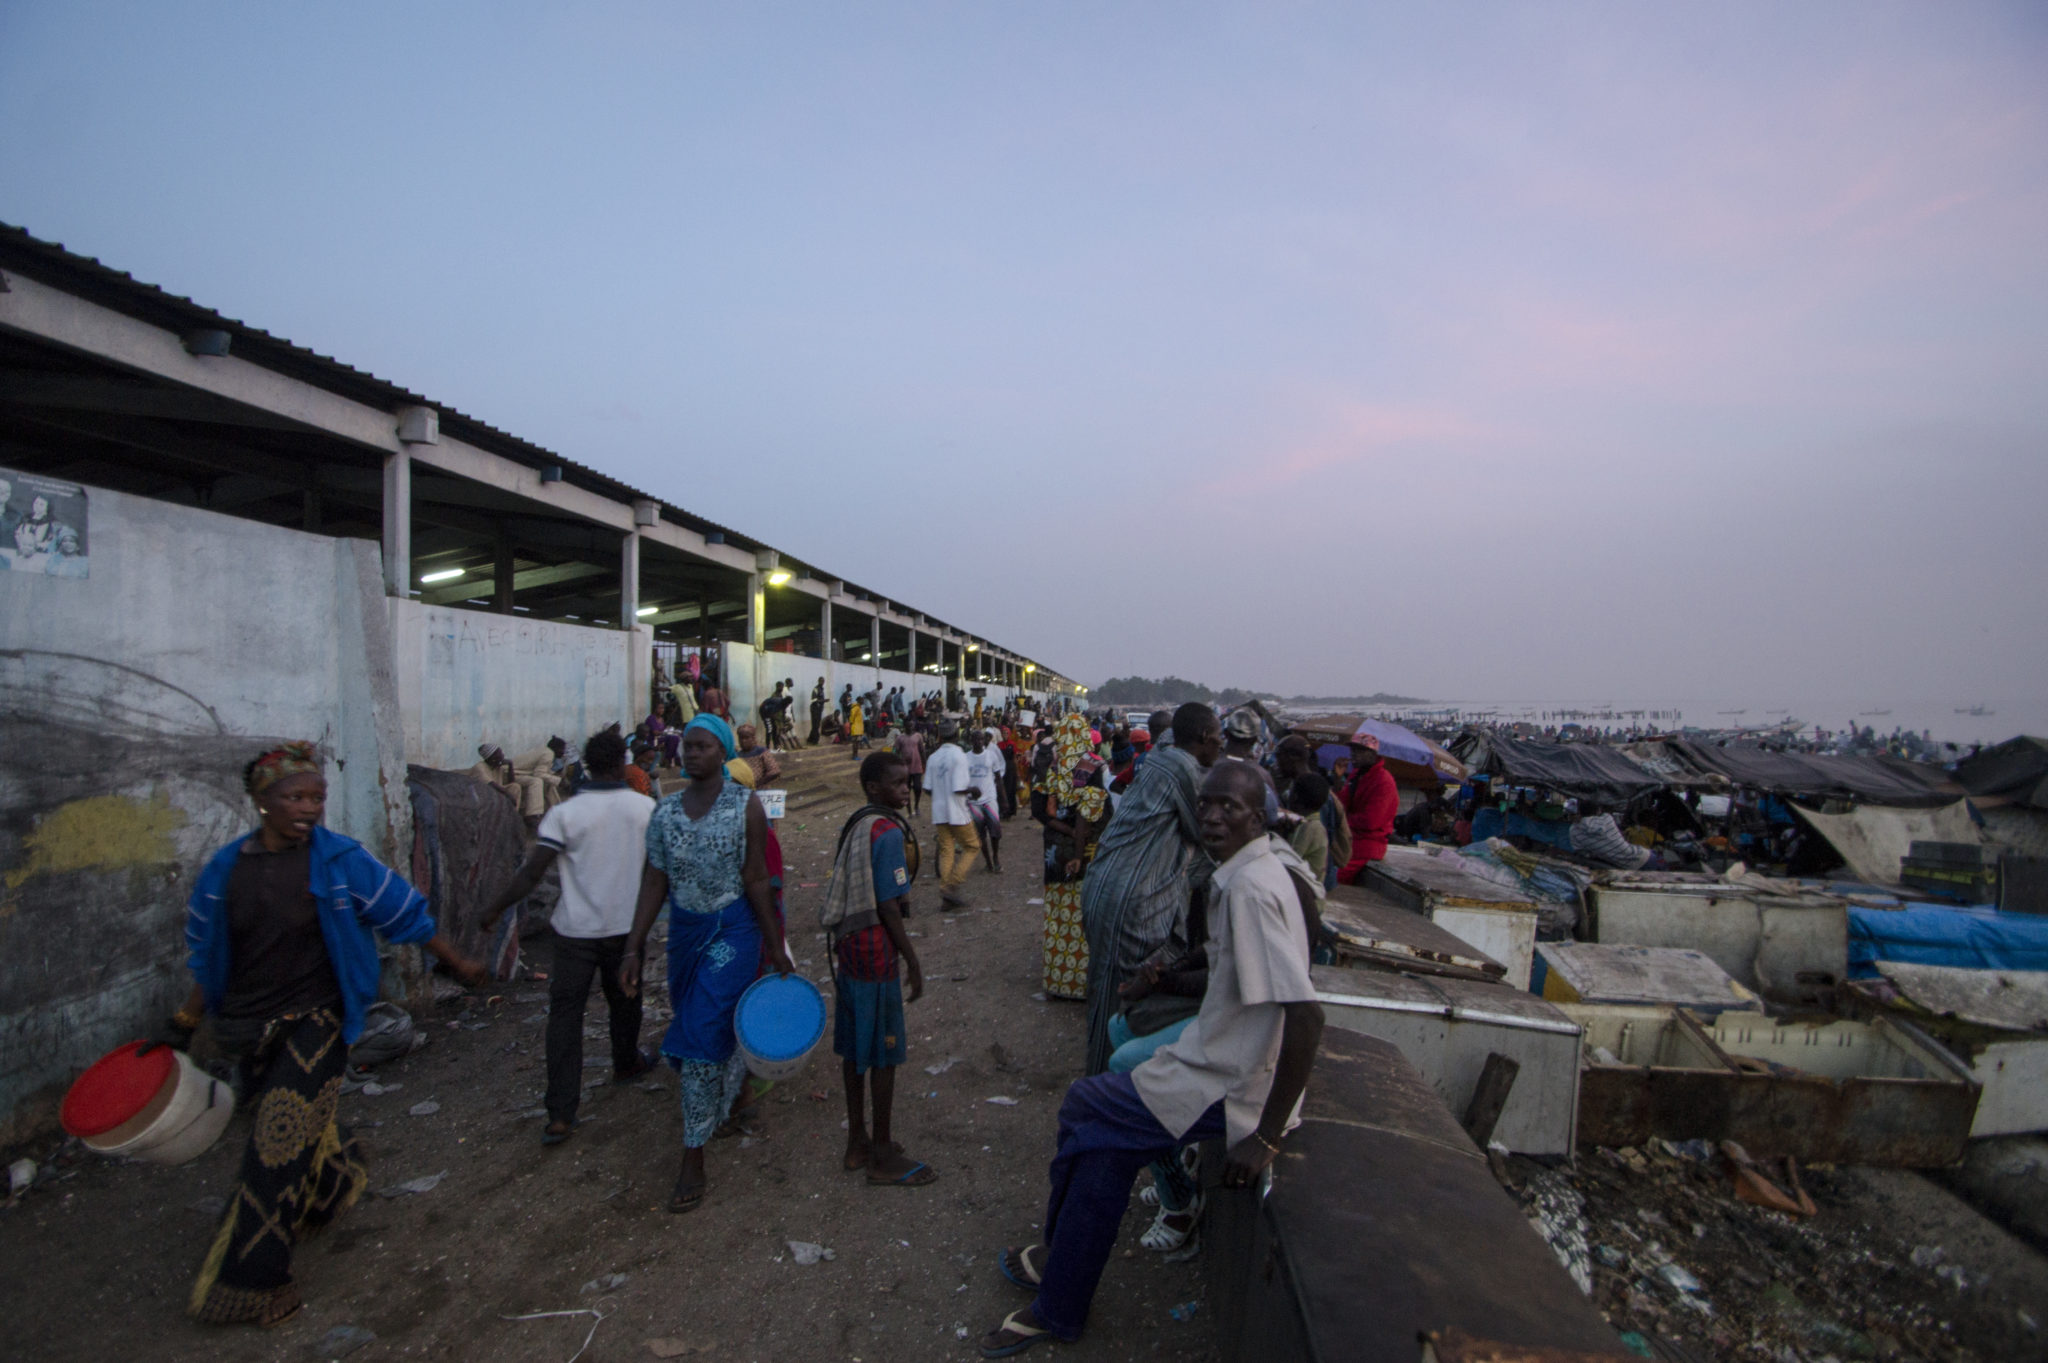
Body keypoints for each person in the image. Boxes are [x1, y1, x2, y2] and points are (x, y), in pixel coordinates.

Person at [976, 762, 1325, 1357]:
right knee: (1100, 1142)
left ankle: (1059, 1282)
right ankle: (1061, 1289)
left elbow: (1308, 1016)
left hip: (1233, 1082)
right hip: (1216, 1060)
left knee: (1087, 1107)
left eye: (1230, 809)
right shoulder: (1253, 871)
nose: (1214, 817)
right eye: (1207, 805)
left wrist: (1264, 1136)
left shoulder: (1251, 889)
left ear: (1257, 815)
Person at [177, 742, 487, 1326]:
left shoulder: (339, 861)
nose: (310, 808)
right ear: (262, 801)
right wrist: (188, 1021)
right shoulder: (225, 872)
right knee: (285, 1128)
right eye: (295, 796)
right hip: (246, 1025)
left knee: (274, 1145)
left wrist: (458, 962)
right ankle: (333, 1181)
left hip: (316, 1021)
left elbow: (402, 912)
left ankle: (255, 1282)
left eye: (318, 797)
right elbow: (205, 951)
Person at [620, 714, 794, 1213]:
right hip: (685, 936)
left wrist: (773, 944)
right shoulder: (666, 813)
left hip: (733, 934)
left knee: (697, 1035)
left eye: (700, 747)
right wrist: (634, 947)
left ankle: (692, 1153)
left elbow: (757, 879)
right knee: (700, 1019)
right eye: (686, 747)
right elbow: (654, 882)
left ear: (722, 753)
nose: (690, 754)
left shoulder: (746, 806)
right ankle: (733, 1098)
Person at [479, 730, 657, 1145]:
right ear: (621, 762)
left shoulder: (566, 814)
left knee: (565, 1017)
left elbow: (532, 872)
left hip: (575, 932)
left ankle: (560, 1112)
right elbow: (656, 871)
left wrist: (493, 908)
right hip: (626, 930)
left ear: (589, 766)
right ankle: (626, 1061)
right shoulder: (644, 808)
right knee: (626, 1000)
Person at [1079, 702, 1222, 1073]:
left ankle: (1101, 1085)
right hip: (1128, 898)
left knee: (1109, 994)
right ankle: (1099, 1091)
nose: (1222, 747)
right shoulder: (1183, 768)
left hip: (1110, 885)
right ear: (1205, 738)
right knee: (1121, 1003)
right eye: (1219, 739)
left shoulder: (1162, 756)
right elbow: (1209, 835)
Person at [823, 751, 936, 1186]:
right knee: (884, 1053)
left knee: (854, 1048)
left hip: (849, 945)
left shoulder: (859, 823)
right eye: (897, 784)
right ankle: (883, 1153)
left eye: (908, 782)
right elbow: (889, 905)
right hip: (875, 952)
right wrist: (911, 957)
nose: (906, 789)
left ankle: (857, 1141)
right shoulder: (886, 832)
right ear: (874, 789)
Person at [1033, 713, 1110, 1000]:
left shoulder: (1050, 769)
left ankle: (1056, 981)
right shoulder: (1091, 767)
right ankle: (1080, 983)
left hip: (1053, 854)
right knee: (1082, 913)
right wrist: (1078, 846)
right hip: (1083, 853)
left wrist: (1061, 829)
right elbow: (1087, 817)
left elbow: (1039, 812)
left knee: (1056, 912)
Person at [923, 721, 982, 908]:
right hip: (957, 810)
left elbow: (928, 788)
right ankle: (952, 884)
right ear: (956, 735)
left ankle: (945, 892)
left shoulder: (933, 757)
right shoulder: (959, 755)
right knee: (972, 847)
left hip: (939, 811)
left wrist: (940, 793)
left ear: (940, 736)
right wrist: (973, 789)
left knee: (946, 850)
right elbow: (959, 788)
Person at [1335, 736, 1398, 884]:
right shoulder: (1356, 775)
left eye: (1360, 750)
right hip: (1349, 839)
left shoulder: (1384, 781)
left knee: (1332, 875)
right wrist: (1337, 779)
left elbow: (1371, 821)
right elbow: (1341, 805)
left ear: (1373, 754)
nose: (1353, 754)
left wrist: (1343, 820)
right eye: (1353, 750)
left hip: (1367, 845)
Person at [966, 727, 1005, 872]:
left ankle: (995, 856)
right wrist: (969, 792)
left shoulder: (991, 756)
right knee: (981, 833)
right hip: (973, 802)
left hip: (989, 798)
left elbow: (998, 778)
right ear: (971, 741)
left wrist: (1004, 799)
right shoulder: (966, 758)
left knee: (995, 831)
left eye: (981, 739)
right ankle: (988, 860)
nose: (979, 742)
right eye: (976, 739)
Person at [1282, 771, 1331, 884]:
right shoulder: (1313, 824)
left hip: (1308, 891)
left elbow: (1289, 859)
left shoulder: (1308, 827)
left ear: (1295, 797)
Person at [893, 725, 926, 817]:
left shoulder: (918, 736)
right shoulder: (900, 738)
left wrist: (924, 763)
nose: (910, 727)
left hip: (917, 766)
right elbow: (896, 751)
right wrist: (897, 763)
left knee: (918, 787)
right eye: (908, 725)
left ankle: (916, 806)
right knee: (906, 789)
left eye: (911, 725)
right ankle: (909, 810)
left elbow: (922, 750)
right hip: (905, 768)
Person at [809, 678, 827, 746]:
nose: (822, 682)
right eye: (821, 681)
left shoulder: (822, 689)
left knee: (816, 725)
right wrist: (823, 701)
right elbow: (814, 700)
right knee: (815, 725)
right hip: (815, 709)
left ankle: (810, 739)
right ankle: (815, 741)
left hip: (819, 710)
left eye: (823, 681)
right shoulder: (816, 689)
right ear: (818, 681)